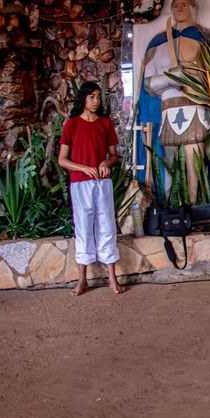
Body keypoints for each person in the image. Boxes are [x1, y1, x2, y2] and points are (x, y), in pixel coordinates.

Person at [142, 0, 210, 203]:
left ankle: (196, 208)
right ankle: (171, 209)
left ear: (193, 7)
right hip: (169, 110)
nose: (179, 9)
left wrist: (191, 78)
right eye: (175, 5)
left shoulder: (205, 38)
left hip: (195, 108)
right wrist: (170, 78)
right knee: (169, 163)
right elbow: (148, 84)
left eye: (184, 4)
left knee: (195, 164)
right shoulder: (159, 42)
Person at [57, 82, 126, 296]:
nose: (96, 101)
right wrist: (84, 168)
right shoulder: (72, 125)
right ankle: (82, 280)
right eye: (91, 97)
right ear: (83, 99)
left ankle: (112, 278)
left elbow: (114, 156)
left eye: (98, 97)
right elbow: (62, 160)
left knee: (107, 226)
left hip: (102, 183)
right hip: (80, 183)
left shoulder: (105, 124)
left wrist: (106, 162)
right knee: (83, 228)